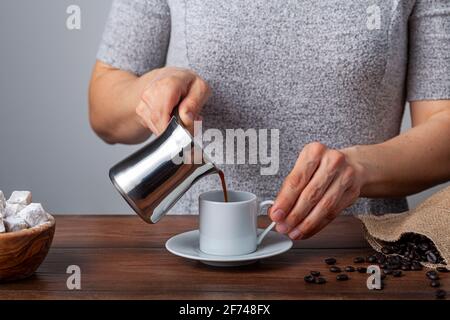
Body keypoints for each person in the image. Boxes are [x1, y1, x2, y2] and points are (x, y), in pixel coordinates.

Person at [89, 0, 450, 240]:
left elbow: (444, 125)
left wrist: (360, 169)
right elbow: (103, 108)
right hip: (192, 249)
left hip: (355, 253)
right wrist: (153, 88)